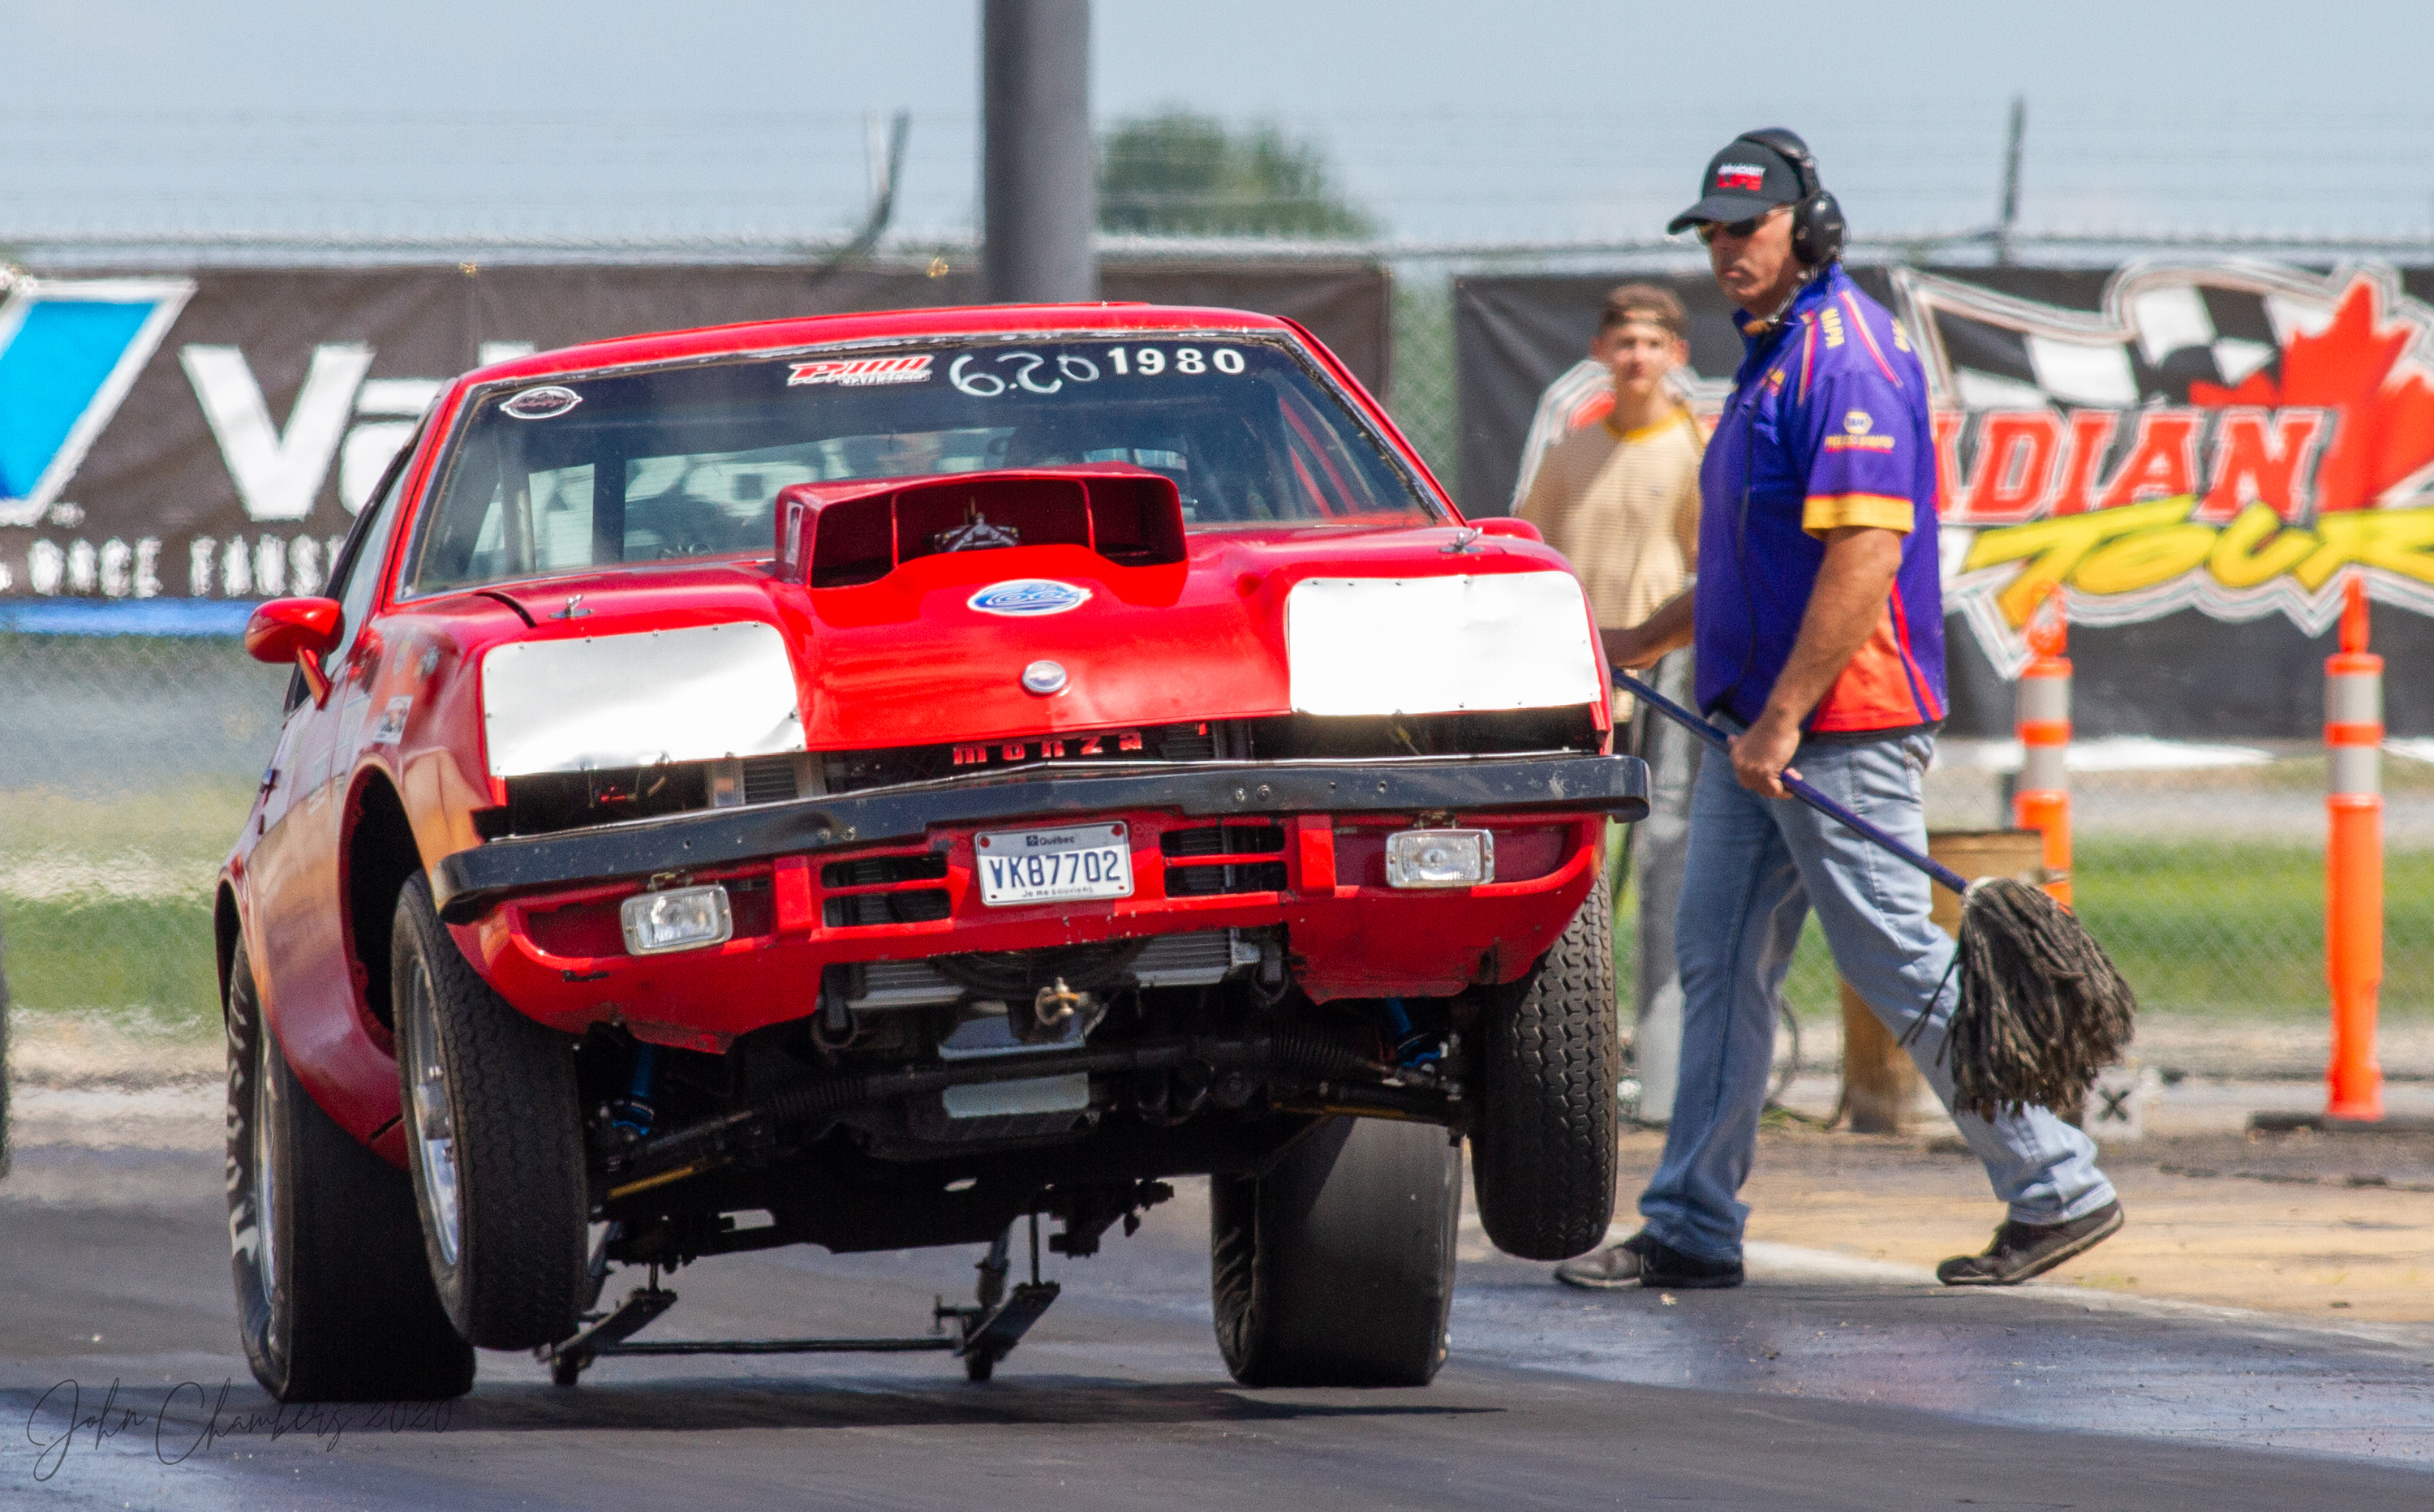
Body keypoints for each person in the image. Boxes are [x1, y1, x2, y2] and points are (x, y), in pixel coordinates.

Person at [1556, 129, 2122, 1291]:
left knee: (1894, 957)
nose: (1726, 248)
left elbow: (1865, 555)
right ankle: (1693, 1226)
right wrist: (1636, 642)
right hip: (1755, 725)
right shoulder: (1773, 356)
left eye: (1746, 226)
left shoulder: (1847, 357)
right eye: (1712, 230)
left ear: (1807, 230)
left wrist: (1784, 721)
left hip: (1837, 725)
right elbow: (1756, 571)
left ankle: (2059, 1183)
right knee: (1716, 959)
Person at [1514, 284, 1704, 1126]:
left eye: (1652, 344)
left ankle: (1664, 1081)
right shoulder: (1570, 452)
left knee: (1667, 870)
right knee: (1573, 874)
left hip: (1665, 682)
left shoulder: (1694, 450)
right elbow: (1532, 552)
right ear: (1600, 350)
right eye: (1623, 342)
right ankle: (1560, 1066)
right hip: (1580, 682)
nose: (1636, 358)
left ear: (1676, 357)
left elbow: (1708, 574)